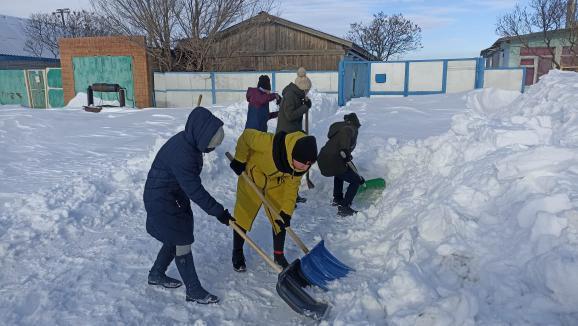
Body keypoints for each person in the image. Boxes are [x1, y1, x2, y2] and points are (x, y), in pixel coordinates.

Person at [144, 107, 235, 304]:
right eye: (210, 146)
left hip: (171, 195)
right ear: (202, 137)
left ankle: (156, 273)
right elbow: (195, 191)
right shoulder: (184, 155)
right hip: (161, 199)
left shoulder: (188, 140)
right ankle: (193, 290)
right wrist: (220, 212)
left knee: (175, 236)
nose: (211, 150)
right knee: (181, 240)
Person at [228, 128, 317, 272]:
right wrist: (240, 159)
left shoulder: (299, 167)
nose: (305, 168)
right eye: (303, 163)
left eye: (309, 165)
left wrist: (286, 213)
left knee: (279, 219)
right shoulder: (268, 143)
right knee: (243, 214)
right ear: (293, 155)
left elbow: (291, 189)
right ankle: (237, 252)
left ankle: (279, 255)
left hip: (277, 182)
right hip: (253, 174)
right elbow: (246, 136)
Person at [276, 67, 313, 203]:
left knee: (293, 165)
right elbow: (290, 115)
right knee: (288, 166)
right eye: (307, 90)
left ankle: (293, 195)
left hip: (292, 133)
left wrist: (304, 103)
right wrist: (305, 107)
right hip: (286, 135)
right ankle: (286, 196)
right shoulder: (291, 95)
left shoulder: (295, 95)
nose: (308, 92)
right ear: (303, 89)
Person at [317, 113, 364, 217]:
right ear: (356, 124)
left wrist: (357, 173)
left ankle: (337, 199)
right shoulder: (349, 129)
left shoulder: (340, 128)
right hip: (332, 161)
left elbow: (346, 159)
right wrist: (344, 149)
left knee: (340, 172)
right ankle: (344, 207)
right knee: (355, 181)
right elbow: (346, 134)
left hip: (324, 159)